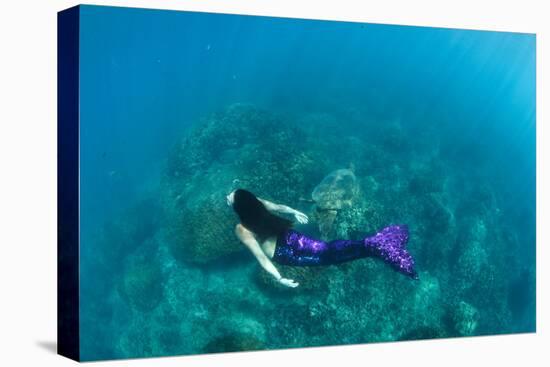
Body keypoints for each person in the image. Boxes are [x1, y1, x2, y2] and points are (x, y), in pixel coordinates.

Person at [227, 188, 418, 288]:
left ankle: (376, 247)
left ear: (240, 208)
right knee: (326, 249)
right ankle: (375, 245)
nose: (227, 197)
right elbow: (277, 207)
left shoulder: (241, 229)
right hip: (289, 236)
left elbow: (261, 257)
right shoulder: (257, 203)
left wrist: (278, 278)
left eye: (231, 197)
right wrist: (294, 212)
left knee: (326, 256)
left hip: (284, 253)